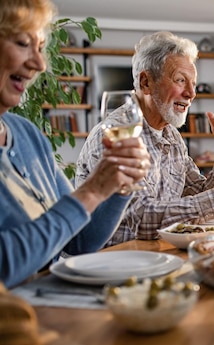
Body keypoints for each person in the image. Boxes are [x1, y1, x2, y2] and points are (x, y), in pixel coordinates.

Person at [0, 0, 150, 288]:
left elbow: (79, 241)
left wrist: (117, 186)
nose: (39, 64)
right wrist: (93, 190)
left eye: (41, 47)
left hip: (55, 308)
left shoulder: (28, 133)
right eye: (22, 43)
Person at [76, 31, 214, 247]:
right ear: (146, 82)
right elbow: (139, 219)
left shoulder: (171, 135)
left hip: (157, 254)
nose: (191, 93)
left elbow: (197, 195)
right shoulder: (115, 134)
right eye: (180, 80)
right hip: (111, 262)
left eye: (193, 84)